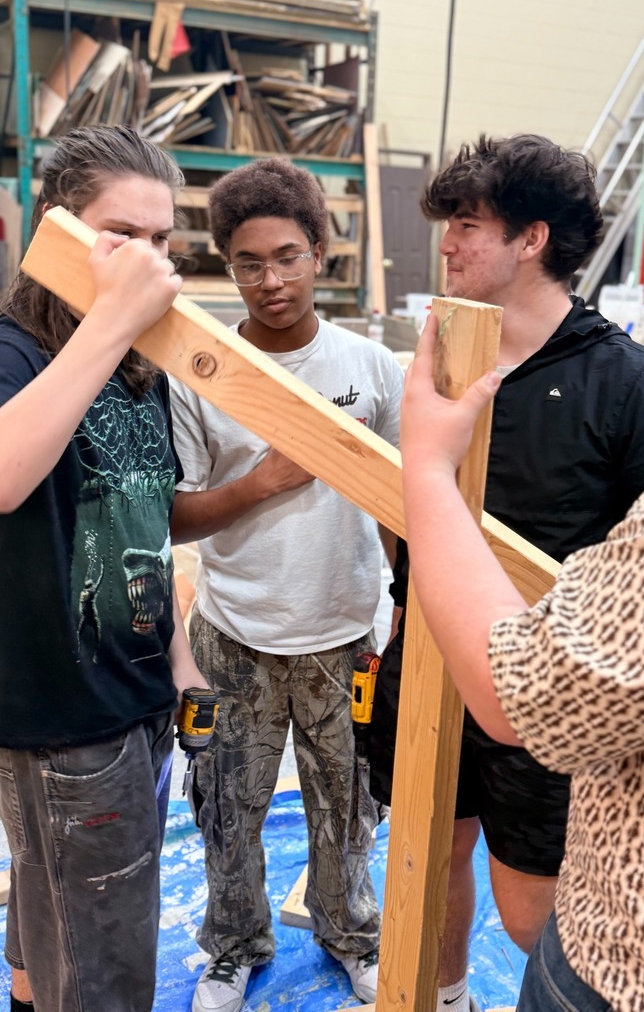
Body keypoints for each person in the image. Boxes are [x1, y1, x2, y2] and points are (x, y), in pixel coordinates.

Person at [397, 117, 644, 1011]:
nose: (446, 244)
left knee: (532, 911)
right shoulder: (440, 366)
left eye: (468, 225)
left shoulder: (634, 386)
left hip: (566, 691)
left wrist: (426, 472)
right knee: (427, 850)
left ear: (532, 240)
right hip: (435, 660)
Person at [168, 157, 403, 1012]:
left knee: (350, 806)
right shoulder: (204, 372)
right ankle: (233, 947)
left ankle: (353, 937)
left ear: (320, 254)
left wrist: (405, 610)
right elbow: (175, 517)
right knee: (227, 809)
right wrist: (260, 483)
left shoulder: (371, 367)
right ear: (226, 265)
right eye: (249, 263)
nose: (271, 281)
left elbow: (400, 501)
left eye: (287, 257)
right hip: (236, 633)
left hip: (346, 634)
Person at [0, 125, 209, 1012]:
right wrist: (116, 318)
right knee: (106, 969)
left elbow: (141, 521)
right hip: (68, 724)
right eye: (122, 236)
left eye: (163, 240)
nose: (150, 263)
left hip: (137, 699)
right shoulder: (16, 354)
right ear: (59, 228)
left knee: (56, 916)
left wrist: (178, 659)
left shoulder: (134, 367)